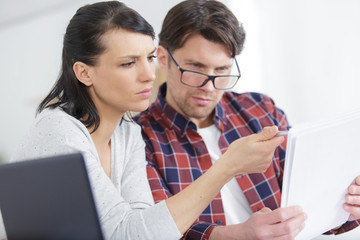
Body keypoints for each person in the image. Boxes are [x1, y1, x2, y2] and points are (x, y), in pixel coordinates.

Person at [0, 1, 286, 240]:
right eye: (128, 63)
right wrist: (227, 166)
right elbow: (130, 234)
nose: (149, 74)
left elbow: (147, 225)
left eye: (148, 57)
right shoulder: (59, 132)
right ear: (84, 73)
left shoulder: (127, 133)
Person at [135, 0, 360, 239]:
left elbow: (306, 201)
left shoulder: (261, 110)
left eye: (222, 70)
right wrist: (240, 234)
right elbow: (155, 231)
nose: (209, 87)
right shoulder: (137, 137)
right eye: (195, 67)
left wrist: (345, 207)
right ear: (163, 58)